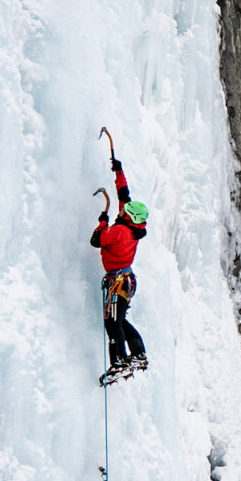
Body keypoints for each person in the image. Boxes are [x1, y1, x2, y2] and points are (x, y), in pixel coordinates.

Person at [90, 154, 149, 381]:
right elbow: (124, 195)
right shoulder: (131, 227)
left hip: (117, 281)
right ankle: (138, 354)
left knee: (112, 322)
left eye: (124, 211)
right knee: (120, 319)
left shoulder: (118, 231)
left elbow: (96, 240)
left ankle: (119, 362)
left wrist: (103, 221)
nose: (121, 210)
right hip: (127, 280)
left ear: (128, 216)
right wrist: (118, 171)